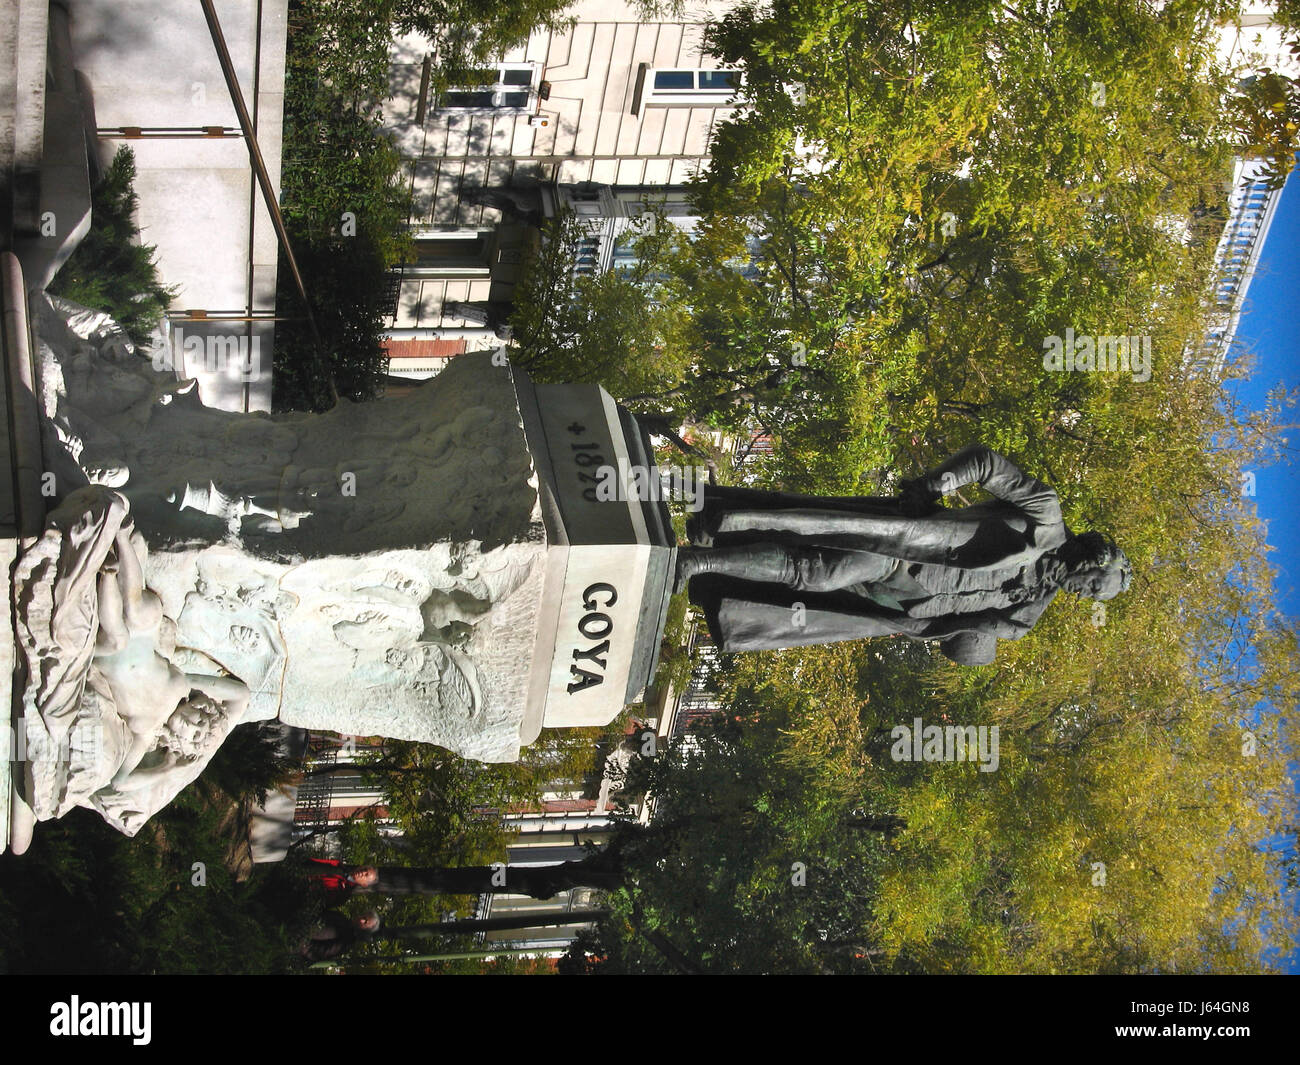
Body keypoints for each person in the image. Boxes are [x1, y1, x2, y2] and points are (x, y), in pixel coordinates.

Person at [675, 443, 1131, 665]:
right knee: (817, 572)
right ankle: (699, 559)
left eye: (1092, 596)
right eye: (1093, 585)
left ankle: (707, 567)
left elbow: (966, 637)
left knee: (814, 590)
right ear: (1092, 560)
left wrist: (974, 639)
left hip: (899, 604)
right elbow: (986, 463)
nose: (1083, 593)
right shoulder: (1046, 517)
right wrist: (932, 485)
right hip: (904, 553)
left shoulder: (1030, 613)